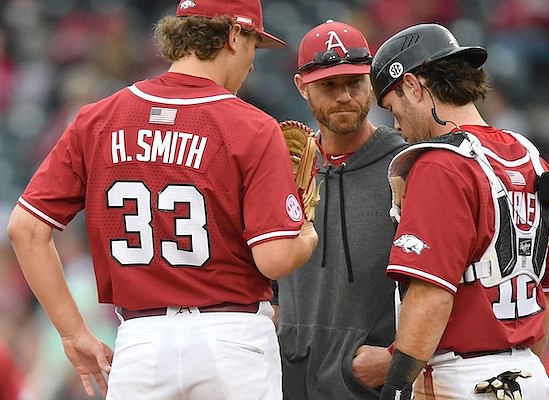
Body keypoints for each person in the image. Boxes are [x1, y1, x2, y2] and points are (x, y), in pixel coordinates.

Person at [6, 1, 318, 399]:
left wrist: (73, 334)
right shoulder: (252, 125)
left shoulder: (97, 118)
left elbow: (26, 229)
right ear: (235, 36)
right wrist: (307, 231)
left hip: (141, 344)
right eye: (254, 44)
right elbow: (274, 258)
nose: (253, 63)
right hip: (231, 339)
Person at [369, 23, 549, 399]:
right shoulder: (535, 161)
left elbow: (432, 296)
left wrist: (395, 387)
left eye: (392, 106)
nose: (395, 123)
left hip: (461, 381)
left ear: (414, 86)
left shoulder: (442, 165)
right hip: (527, 374)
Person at [274, 19, 408, 399]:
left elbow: (445, 278)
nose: (344, 96)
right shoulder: (286, 167)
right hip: (288, 384)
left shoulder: (404, 167)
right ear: (302, 86)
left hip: (369, 385)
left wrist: (399, 358)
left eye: (354, 82)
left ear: (372, 81)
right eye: (328, 85)